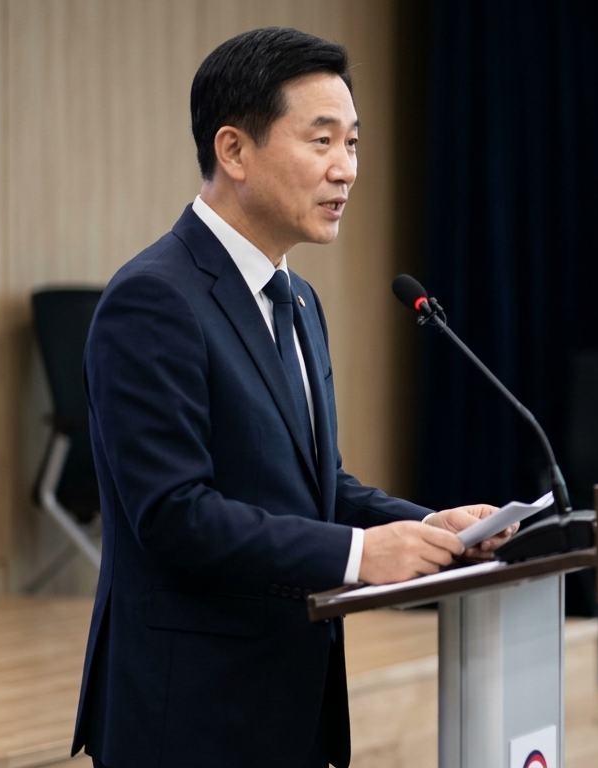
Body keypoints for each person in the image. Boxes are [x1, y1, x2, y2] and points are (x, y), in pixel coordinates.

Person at [71, 28, 514, 768]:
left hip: (291, 705)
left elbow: (315, 488)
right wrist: (360, 553)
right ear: (234, 151)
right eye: (321, 141)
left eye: (354, 143)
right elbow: (173, 514)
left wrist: (426, 527)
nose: (347, 169)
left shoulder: (298, 300)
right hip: (190, 719)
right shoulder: (152, 299)